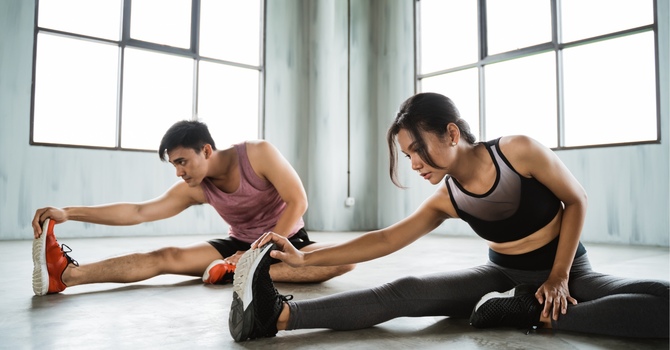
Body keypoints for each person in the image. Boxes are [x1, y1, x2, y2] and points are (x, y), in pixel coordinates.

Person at [227, 92, 669, 341]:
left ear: (452, 133)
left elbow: (578, 200)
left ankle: (532, 314)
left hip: (568, 271)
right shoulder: (448, 197)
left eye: (418, 150)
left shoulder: (518, 151)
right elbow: (384, 240)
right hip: (501, 275)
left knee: (664, 301)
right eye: (407, 156)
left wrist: (557, 278)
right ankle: (277, 317)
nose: (415, 164)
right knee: (406, 290)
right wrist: (305, 259)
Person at [31, 120, 355, 296]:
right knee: (165, 256)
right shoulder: (197, 187)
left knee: (346, 261)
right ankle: (68, 276)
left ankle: (241, 271)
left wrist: (258, 254)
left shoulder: (258, 153)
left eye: (182, 161)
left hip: (284, 239)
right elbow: (139, 212)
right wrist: (69, 213)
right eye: (174, 165)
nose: (179, 172)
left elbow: (298, 201)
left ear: (207, 150)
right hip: (237, 245)